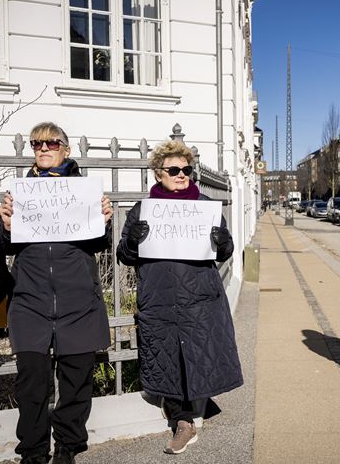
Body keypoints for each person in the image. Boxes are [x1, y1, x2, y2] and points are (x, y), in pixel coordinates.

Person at [0, 122, 114, 464]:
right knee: (31, 382)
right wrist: (4, 227)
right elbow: (0, 245)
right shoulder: (20, 192)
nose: (43, 148)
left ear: (66, 149)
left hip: (77, 300)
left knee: (76, 382)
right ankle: (32, 452)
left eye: (51, 143)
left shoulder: (85, 190)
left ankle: (67, 448)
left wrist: (103, 221)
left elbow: (100, 243)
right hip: (30, 300)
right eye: (36, 144)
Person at [116, 140, 243, 455]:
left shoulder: (204, 205)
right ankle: (182, 420)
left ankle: (189, 411)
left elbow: (223, 251)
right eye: (174, 170)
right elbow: (123, 255)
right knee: (167, 355)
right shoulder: (142, 210)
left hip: (199, 296)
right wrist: (133, 240)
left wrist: (223, 241)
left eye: (187, 170)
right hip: (159, 296)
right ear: (159, 173)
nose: (182, 175)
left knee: (197, 353)